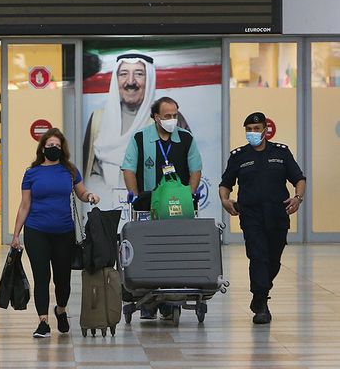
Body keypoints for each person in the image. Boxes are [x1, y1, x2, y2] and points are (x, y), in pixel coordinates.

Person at [11, 128, 100, 338]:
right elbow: (25, 205)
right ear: (42, 148)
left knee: (63, 279)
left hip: (64, 232)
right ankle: (43, 322)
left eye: (57, 146)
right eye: (50, 145)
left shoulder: (69, 170)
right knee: (41, 278)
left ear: (63, 150)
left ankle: (60, 309)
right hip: (36, 231)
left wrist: (90, 196)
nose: (53, 149)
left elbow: (81, 193)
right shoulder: (31, 173)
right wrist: (16, 234)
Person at [219, 112, 306, 325]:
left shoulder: (281, 152)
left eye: (257, 129)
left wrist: (298, 198)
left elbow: (299, 178)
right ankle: (262, 304)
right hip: (251, 215)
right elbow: (225, 184)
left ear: (265, 129)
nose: (253, 133)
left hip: (278, 214)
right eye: (249, 129)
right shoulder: (239, 156)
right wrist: (224, 200)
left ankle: (260, 293)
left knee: (274, 259)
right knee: (258, 256)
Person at [121, 96, 202, 319]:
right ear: (156, 117)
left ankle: (171, 299)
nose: (172, 120)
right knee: (149, 251)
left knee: (175, 250)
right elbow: (128, 168)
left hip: (178, 207)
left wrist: (191, 194)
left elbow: (195, 169)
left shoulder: (185, 139)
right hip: (149, 205)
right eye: (167, 116)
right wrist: (135, 196)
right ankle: (148, 301)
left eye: (175, 115)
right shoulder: (140, 139)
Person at [82, 52, 157, 211]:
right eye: (123, 74)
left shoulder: (160, 121)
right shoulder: (98, 119)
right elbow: (89, 170)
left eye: (139, 74)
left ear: (149, 79)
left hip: (148, 209)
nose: (131, 82)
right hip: (105, 209)